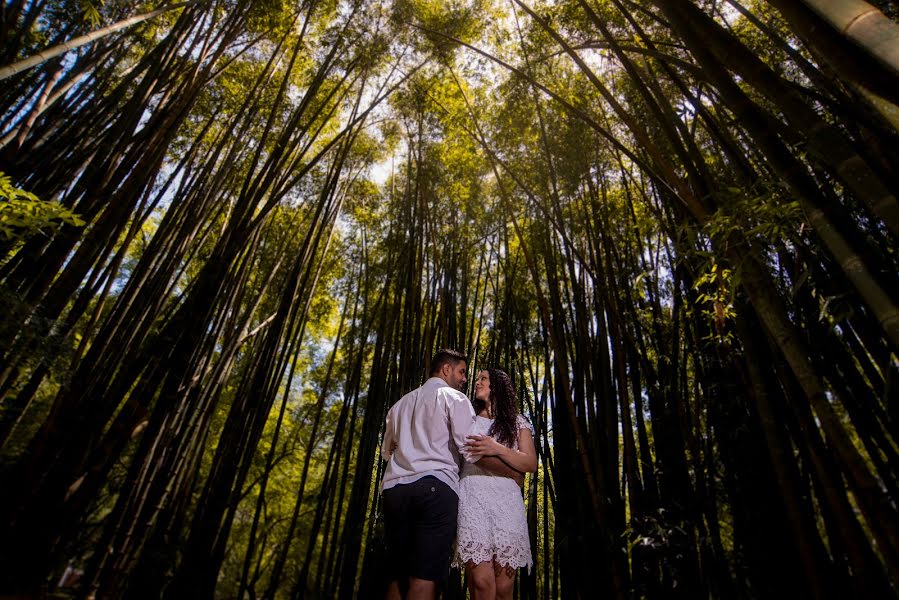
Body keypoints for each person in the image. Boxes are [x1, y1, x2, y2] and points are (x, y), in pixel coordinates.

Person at [379, 349, 475, 600]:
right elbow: (470, 447)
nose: (464, 378)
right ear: (446, 369)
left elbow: (387, 452)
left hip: (394, 490)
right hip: (435, 487)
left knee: (397, 575)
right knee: (423, 578)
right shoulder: (454, 397)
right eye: (461, 371)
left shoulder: (400, 404)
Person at [456, 368, 538, 600]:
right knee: (482, 583)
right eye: (478, 378)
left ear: (498, 387)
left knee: (503, 589)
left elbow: (530, 462)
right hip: (473, 497)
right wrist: (513, 471)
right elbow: (471, 453)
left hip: (507, 503)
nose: (477, 382)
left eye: (484, 379)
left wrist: (496, 447)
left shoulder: (517, 421)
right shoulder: (468, 419)